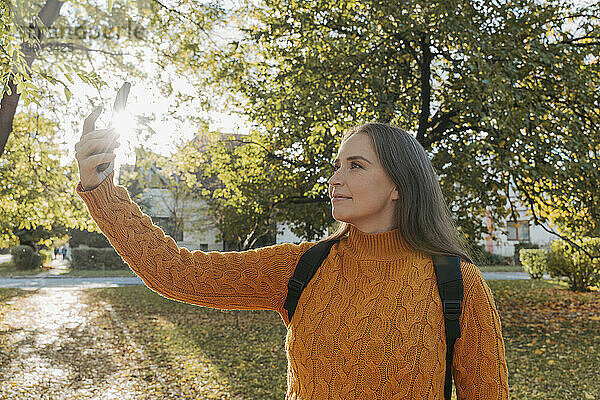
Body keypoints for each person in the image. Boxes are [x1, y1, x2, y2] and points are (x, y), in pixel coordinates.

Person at [74, 106, 509, 399]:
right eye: (337, 166)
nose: (336, 178)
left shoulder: (456, 283)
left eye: (356, 165)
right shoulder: (303, 266)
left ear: (399, 185)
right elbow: (176, 273)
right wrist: (101, 190)